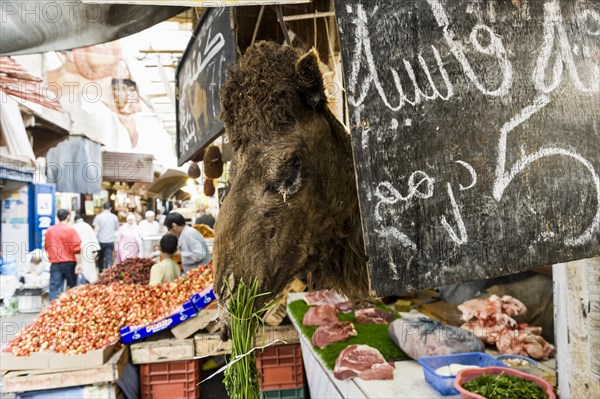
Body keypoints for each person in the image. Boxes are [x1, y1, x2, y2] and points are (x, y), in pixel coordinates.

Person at [44, 209, 82, 301]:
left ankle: (52, 310)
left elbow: (46, 246)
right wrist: (79, 264)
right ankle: (70, 308)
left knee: (54, 289)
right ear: (68, 216)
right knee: (72, 288)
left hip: (55, 263)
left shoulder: (50, 230)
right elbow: (76, 248)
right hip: (69, 263)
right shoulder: (71, 230)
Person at [72, 212, 100, 283]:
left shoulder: (72, 227)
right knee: (88, 269)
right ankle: (88, 282)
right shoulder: (87, 226)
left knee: (78, 268)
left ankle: (78, 282)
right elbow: (93, 238)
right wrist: (95, 251)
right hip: (88, 250)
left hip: (75, 251)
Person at [93, 202, 119, 272]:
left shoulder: (98, 217)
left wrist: (93, 241)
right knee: (109, 258)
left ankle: (100, 272)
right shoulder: (114, 217)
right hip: (110, 241)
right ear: (110, 208)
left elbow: (96, 230)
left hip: (100, 241)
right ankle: (109, 274)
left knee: (100, 259)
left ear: (102, 208)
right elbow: (117, 229)